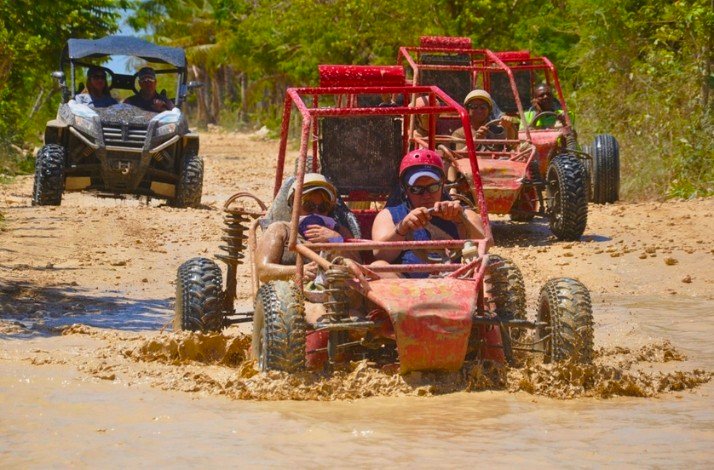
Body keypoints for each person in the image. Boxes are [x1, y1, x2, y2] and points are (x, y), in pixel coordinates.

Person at [371, 149, 490, 277]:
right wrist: (403, 228)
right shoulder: (389, 215)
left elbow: (486, 245)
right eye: (417, 189)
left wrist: (461, 220)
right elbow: (380, 254)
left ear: (442, 185)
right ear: (405, 189)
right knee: (378, 267)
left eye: (433, 187)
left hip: (456, 284)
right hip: (405, 289)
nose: (426, 195)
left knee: (489, 264)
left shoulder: (462, 213)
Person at [254, 173, 355, 283]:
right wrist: (298, 271)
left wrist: (337, 241)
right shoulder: (280, 229)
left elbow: (358, 269)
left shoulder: (340, 232)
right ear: (294, 203)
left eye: (323, 207)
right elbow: (263, 271)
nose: (315, 213)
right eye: (308, 206)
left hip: (333, 295)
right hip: (289, 294)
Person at [451, 89, 518, 146]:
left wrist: (509, 127)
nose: (479, 110)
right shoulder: (460, 133)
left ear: (489, 110)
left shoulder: (496, 130)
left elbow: (511, 145)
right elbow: (459, 156)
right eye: (474, 106)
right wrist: (476, 141)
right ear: (468, 110)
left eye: (483, 107)